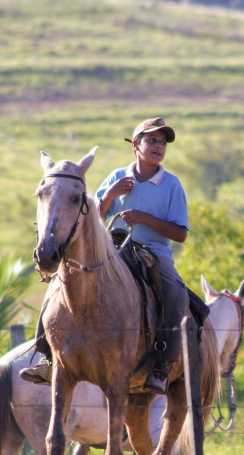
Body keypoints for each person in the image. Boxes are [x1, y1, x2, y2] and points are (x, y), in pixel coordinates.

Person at [20, 117, 189, 394]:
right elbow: (90, 219)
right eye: (151, 140)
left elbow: (180, 233)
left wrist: (145, 218)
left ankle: (160, 365)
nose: (158, 147)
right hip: (111, 250)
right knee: (58, 285)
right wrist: (110, 194)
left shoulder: (171, 184)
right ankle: (47, 356)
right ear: (135, 145)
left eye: (162, 143)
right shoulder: (115, 177)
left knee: (175, 293)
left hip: (154, 255)